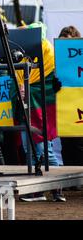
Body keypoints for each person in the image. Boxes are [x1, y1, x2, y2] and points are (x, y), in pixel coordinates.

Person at [14, 22, 66, 202]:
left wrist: (27, 88)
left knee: (43, 150)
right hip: (28, 110)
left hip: (40, 111)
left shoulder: (47, 54)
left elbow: (52, 86)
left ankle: (54, 188)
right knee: (33, 150)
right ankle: (39, 190)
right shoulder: (24, 53)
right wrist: (19, 89)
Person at [58, 26, 83, 180]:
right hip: (65, 108)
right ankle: (69, 180)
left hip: (79, 106)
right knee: (66, 145)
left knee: (79, 144)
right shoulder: (57, 62)